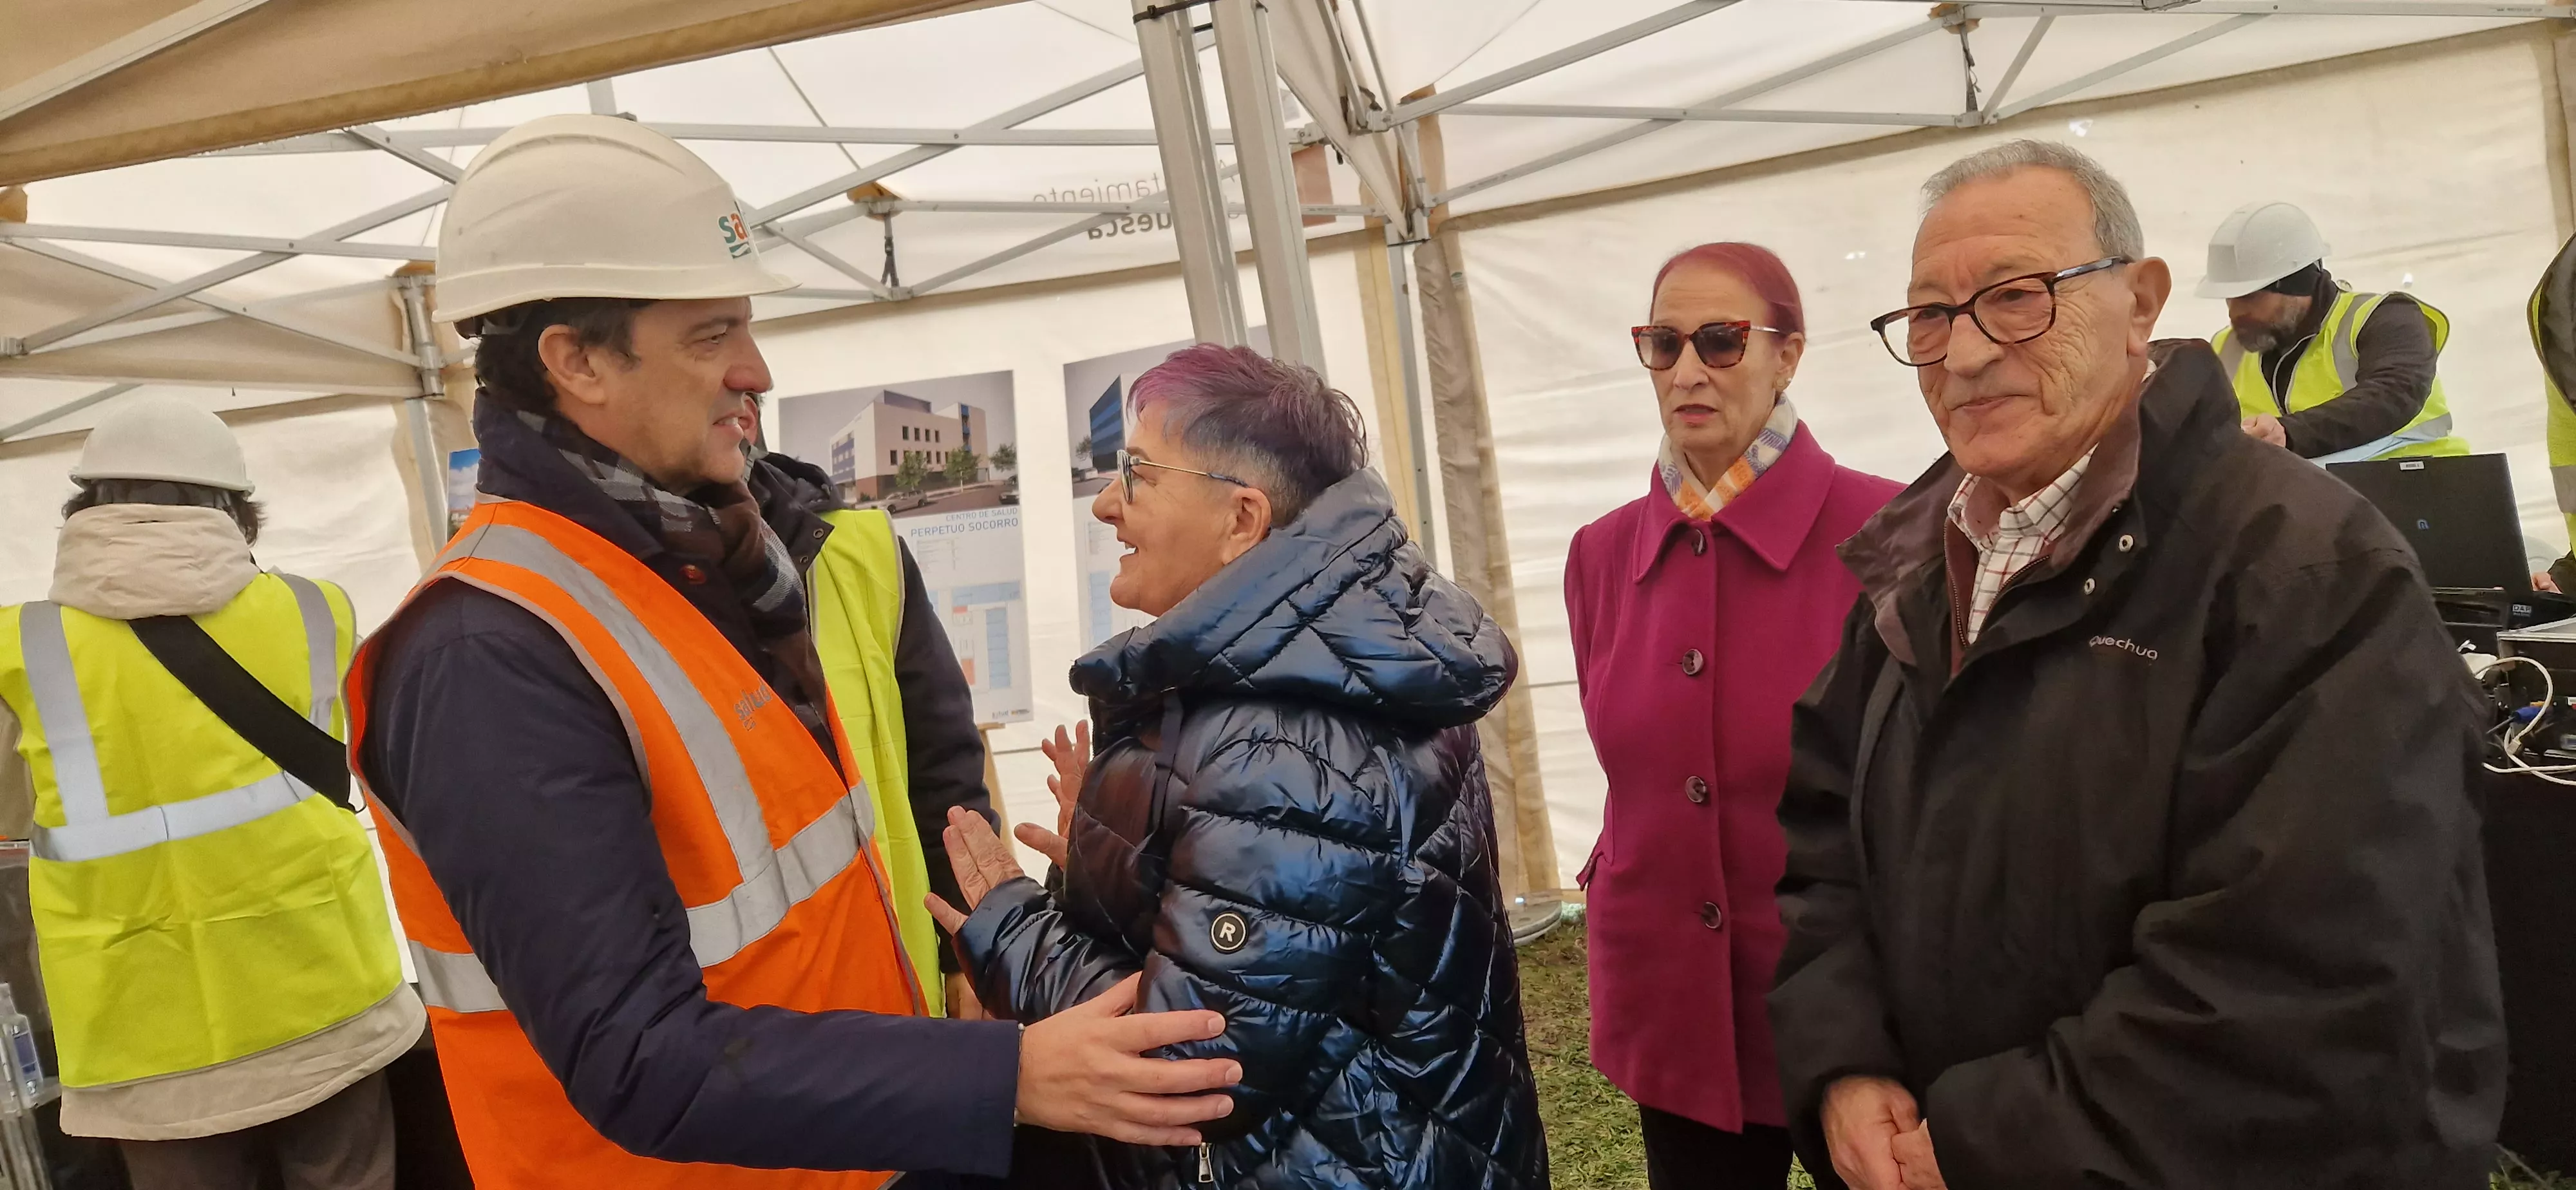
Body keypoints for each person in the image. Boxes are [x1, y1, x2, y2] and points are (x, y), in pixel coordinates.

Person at [350, 114, 1239, 1189]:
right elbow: (637, 1052)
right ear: (576, 360)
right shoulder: (484, 653)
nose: (755, 369)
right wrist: (1002, 1076)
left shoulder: (693, 569)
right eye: (710, 333)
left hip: (862, 1145)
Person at [1772, 140, 2506, 1189]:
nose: (1966, 352)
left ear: (2142, 301)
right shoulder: (1913, 566)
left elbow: (2309, 981)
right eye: (1929, 315)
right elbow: (1821, 843)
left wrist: (1980, 1140)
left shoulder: (2307, 573)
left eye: (2018, 296)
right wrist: (1844, 1059)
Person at [928, 344, 1549, 1190]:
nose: (1108, 503)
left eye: (1137, 474)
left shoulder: (1288, 735)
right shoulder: (1316, 668)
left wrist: (1009, 926)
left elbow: (1193, 1058)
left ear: (1242, 521)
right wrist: (1124, 855)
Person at [0, 396, 424, 1189]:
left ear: (83, 510)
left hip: (141, 1036)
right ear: (236, 508)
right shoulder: (314, 609)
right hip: (327, 992)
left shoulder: (20, 647)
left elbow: (7, 824)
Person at [1561, 243, 1897, 1189]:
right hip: (1671, 1000)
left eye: (1721, 340)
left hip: (1851, 1008)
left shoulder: (1887, 533)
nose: (1688, 370)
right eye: (1662, 345)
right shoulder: (1599, 556)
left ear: (1788, 354)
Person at [2199, 200, 2469, 460]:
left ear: (2297, 286)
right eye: (2228, 297)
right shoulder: (2226, 349)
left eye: (2250, 297)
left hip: (2424, 487)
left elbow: (2395, 393)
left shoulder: (2384, 317)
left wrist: (2288, 433)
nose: (2235, 312)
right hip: (2319, 499)